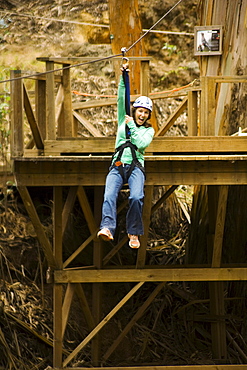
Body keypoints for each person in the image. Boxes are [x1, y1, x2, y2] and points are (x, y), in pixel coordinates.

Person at [97, 61, 154, 248]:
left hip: (136, 167)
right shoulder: (123, 119)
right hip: (119, 164)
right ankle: (107, 227)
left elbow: (141, 143)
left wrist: (131, 125)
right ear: (135, 110)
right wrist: (124, 77)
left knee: (136, 197)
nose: (142, 115)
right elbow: (122, 98)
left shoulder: (148, 130)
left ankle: (134, 233)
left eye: (146, 113)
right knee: (109, 195)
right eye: (140, 111)